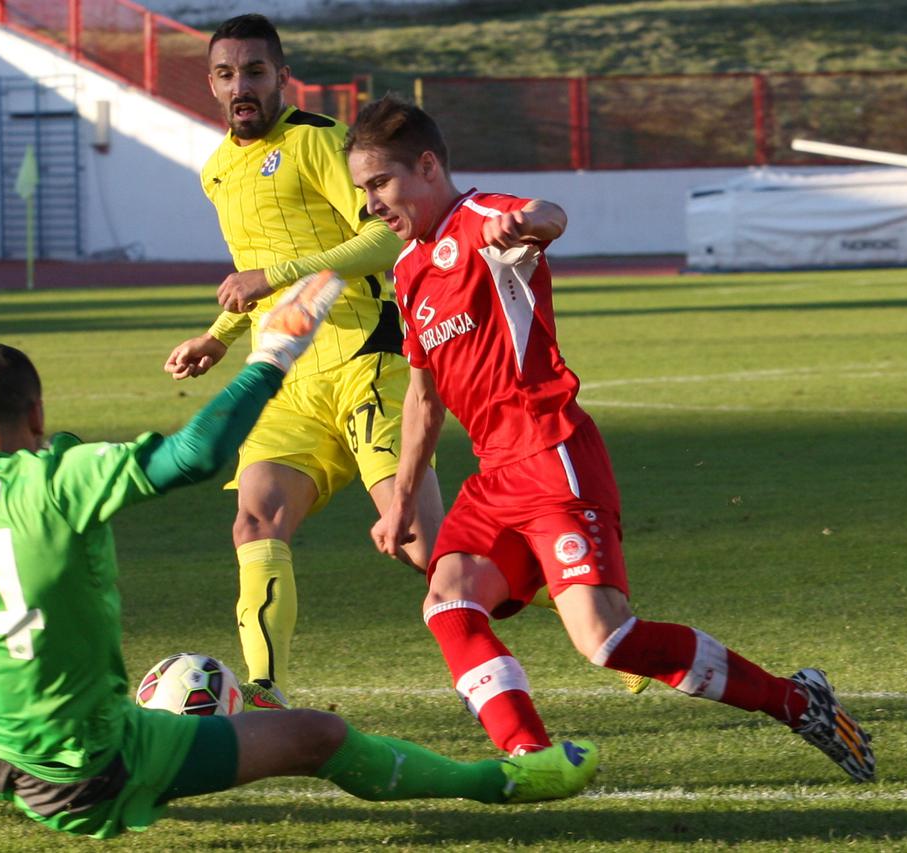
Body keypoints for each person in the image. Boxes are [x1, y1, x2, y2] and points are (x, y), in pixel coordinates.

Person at [0, 274, 601, 839]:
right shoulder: (64, 476)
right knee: (315, 734)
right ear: (35, 418)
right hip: (85, 771)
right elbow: (195, 456)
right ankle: (506, 777)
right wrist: (273, 355)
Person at [343, 95, 875, 782]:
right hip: (494, 473)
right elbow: (421, 401)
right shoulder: (410, 270)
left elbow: (550, 217)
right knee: (448, 602)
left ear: (425, 164)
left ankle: (797, 700)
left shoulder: (482, 221)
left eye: (379, 184)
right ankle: (530, 758)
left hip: (551, 452)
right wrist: (400, 504)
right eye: (363, 190)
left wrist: (526, 223)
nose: (371, 203)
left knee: (606, 637)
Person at [163, 13, 442, 711]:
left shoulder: (317, 142)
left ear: (281, 75)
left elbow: (386, 239)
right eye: (226, 75)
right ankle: (263, 692)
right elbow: (252, 274)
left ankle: (595, 619)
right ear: (211, 84)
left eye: (254, 71)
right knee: (254, 521)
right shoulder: (217, 171)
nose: (241, 86)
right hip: (285, 379)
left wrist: (275, 274)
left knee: (424, 549)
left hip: (363, 361)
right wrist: (217, 336)